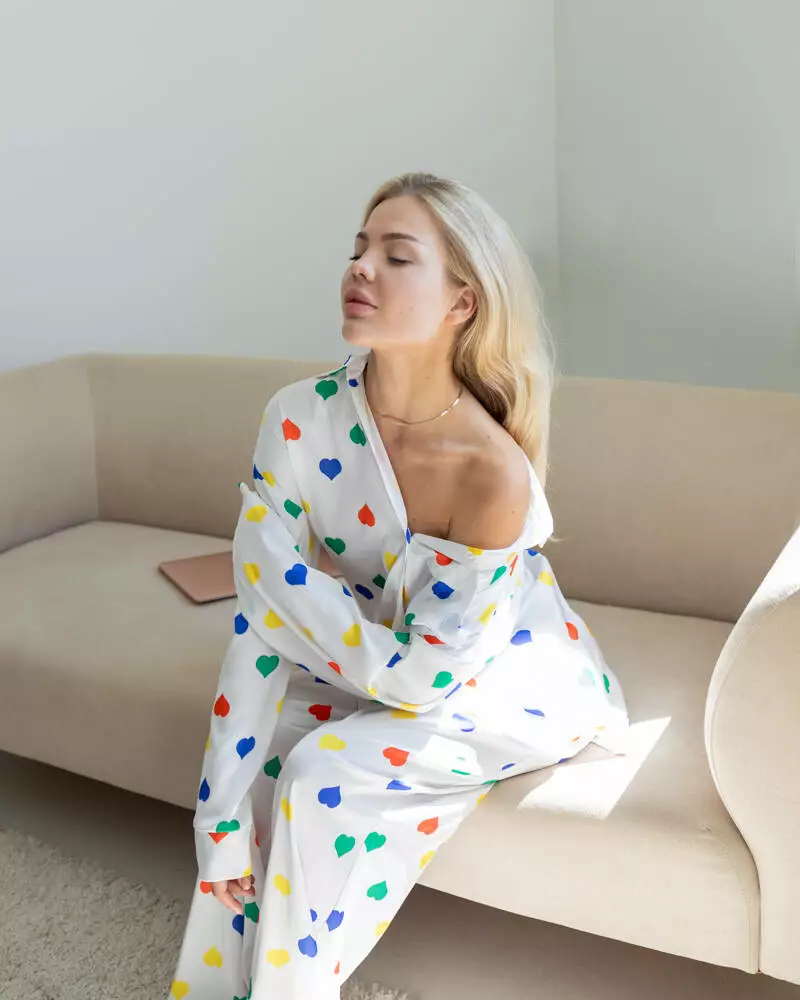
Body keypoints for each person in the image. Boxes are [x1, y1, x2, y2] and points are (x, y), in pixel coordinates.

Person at [168, 172, 630, 1000]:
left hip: (505, 676)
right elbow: (259, 625)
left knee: (323, 773)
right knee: (268, 752)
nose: (361, 267)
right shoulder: (299, 418)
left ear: (462, 302)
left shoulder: (491, 472)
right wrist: (218, 818)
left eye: (397, 255)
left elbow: (421, 677)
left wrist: (288, 590)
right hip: (375, 648)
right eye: (358, 249)